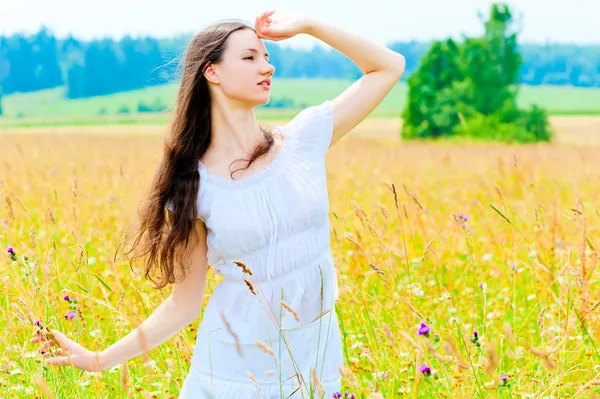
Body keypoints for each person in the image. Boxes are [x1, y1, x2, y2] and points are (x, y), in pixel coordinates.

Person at [30, 10, 405, 398]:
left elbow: (388, 67)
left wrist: (309, 26)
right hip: (234, 371)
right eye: (250, 57)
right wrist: (99, 360)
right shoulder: (193, 185)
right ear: (212, 72)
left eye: (267, 57)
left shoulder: (303, 141)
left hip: (315, 358)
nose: (267, 67)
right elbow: (183, 305)